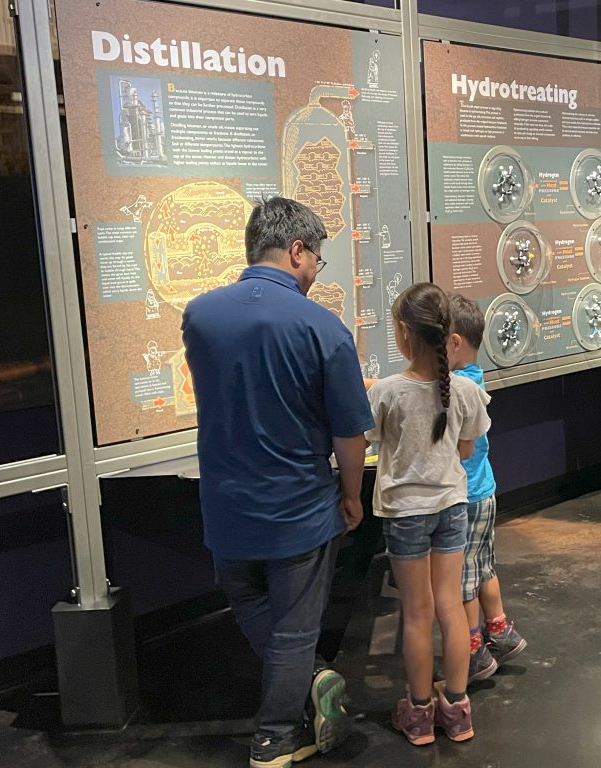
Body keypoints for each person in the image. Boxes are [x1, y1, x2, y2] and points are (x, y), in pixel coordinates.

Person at [181, 197, 373, 768]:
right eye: (317, 257)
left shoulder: (199, 314)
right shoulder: (325, 329)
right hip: (300, 509)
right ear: (296, 251)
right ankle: (275, 738)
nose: (316, 271)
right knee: (294, 631)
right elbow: (349, 435)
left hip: (225, 506)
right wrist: (352, 495)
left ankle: (308, 678)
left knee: (243, 597)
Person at [365, 282, 491, 746]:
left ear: (402, 333)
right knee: (451, 609)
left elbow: (368, 440)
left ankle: (418, 715)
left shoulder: (386, 392)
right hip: (452, 507)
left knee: (416, 614)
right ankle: (457, 710)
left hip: (404, 515)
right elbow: (467, 447)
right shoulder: (464, 390)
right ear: (447, 334)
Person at [446, 293, 527, 682]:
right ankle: (501, 630)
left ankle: (474, 649)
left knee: (462, 581)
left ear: (454, 343)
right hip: (486, 492)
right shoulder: (473, 378)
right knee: (483, 568)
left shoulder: (453, 388)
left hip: (464, 499)